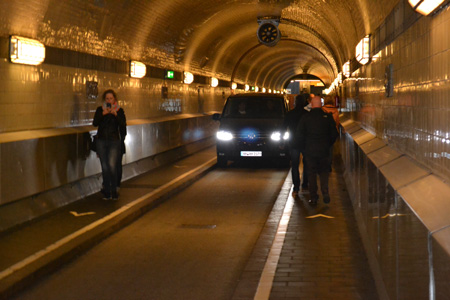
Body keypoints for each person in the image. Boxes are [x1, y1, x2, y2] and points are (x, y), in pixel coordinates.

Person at [298, 96, 338, 205]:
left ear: (311, 104)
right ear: (321, 104)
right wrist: (328, 144)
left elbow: (299, 135)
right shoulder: (327, 117)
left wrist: (304, 148)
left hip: (310, 151)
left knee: (311, 173)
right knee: (324, 172)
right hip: (324, 150)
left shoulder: (305, 118)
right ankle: (325, 192)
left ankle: (314, 196)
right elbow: (334, 134)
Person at [93, 89, 127, 200]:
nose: (109, 100)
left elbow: (123, 125)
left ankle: (114, 191)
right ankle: (107, 191)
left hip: (114, 141)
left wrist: (115, 115)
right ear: (104, 100)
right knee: (105, 167)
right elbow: (95, 123)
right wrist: (103, 114)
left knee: (112, 166)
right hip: (101, 141)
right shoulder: (100, 110)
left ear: (114, 100)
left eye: (111, 98)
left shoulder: (119, 110)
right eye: (107, 99)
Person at [284, 94, 309, 197]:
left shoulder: (290, 114)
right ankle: (305, 184)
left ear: (295, 102)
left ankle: (296, 187)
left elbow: (283, 127)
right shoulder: (307, 114)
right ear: (304, 102)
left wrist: (282, 142)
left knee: (295, 165)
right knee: (307, 163)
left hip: (293, 142)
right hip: (305, 142)